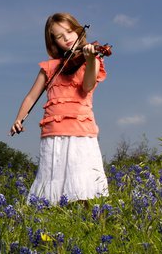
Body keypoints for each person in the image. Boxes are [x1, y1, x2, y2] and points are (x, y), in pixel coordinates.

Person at [10, 12, 108, 205]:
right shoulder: (50, 67)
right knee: (51, 180)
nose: (67, 38)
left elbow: (87, 86)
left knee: (83, 183)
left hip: (81, 131)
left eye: (70, 32)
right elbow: (31, 96)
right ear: (53, 42)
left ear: (78, 31)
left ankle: (86, 225)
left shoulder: (92, 60)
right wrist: (19, 118)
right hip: (53, 132)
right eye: (59, 36)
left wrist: (89, 61)